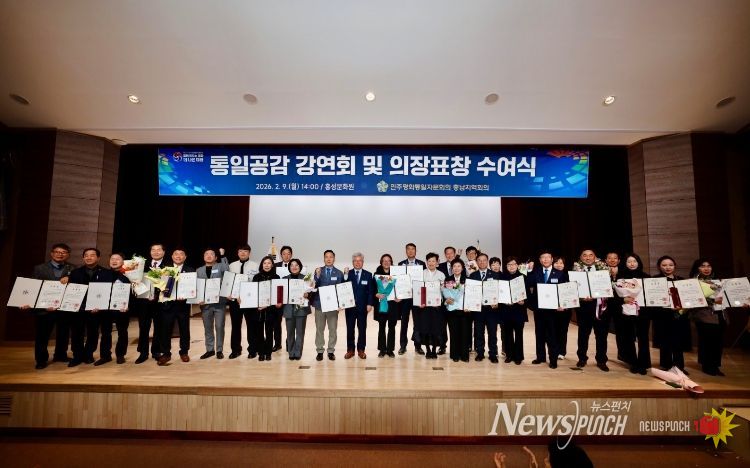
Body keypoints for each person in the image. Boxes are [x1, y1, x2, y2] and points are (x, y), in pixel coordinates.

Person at [26, 243, 75, 368]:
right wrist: (35, 304)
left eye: (63, 252)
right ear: (52, 253)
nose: (60, 254)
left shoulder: (72, 268)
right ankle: (41, 360)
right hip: (45, 309)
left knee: (63, 334)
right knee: (42, 336)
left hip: (64, 308)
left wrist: (70, 278)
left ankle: (60, 355)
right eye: (57, 252)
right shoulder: (39, 268)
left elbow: (77, 285)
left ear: (68, 255)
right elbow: (33, 288)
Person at [66, 248, 106, 367]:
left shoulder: (105, 272)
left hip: (96, 309)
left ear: (98, 258)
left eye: (92, 255)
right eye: (86, 255)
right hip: (78, 308)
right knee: (76, 332)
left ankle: (88, 354)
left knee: (93, 333)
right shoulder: (75, 272)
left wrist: (100, 305)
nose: (89, 257)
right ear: (83, 258)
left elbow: (106, 291)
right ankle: (77, 356)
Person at [573, 249, 611, 372]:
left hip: (600, 307)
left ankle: (601, 360)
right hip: (584, 308)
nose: (588, 258)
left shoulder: (603, 270)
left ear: (595, 257)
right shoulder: (576, 271)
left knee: (601, 335)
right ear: (581, 258)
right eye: (585, 255)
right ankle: (582, 358)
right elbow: (572, 289)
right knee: (583, 335)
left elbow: (608, 287)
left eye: (591, 255)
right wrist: (581, 297)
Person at [652, 255, 691, 374]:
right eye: (664, 265)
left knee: (678, 341)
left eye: (670, 265)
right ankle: (665, 365)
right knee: (664, 340)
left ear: (675, 266)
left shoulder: (681, 280)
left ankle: (679, 366)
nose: (667, 267)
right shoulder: (655, 280)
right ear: (659, 267)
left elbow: (687, 297)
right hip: (662, 315)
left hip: (678, 315)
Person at [689, 258, 727, 376]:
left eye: (709, 266)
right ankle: (707, 365)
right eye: (703, 266)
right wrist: (710, 299)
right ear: (697, 268)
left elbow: (727, 298)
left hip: (720, 314)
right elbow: (693, 299)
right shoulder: (693, 283)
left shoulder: (719, 282)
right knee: (706, 341)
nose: (706, 268)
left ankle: (715, 365)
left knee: (718, 342)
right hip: (704, 315)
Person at [528, 250, 565, 369]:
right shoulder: (535, 272)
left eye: (548, 257)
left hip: (553, 311)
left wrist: (562, 304)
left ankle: (553, 359)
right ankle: (540, 357)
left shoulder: (560, 273)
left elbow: (563, 290)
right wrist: (529, 271)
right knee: (539, 334)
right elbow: (529, 283)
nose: (545, 259)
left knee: (552, 335)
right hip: (539, 309)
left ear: (552, 259)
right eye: (543, 257)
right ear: (540, 260)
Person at [158, 248, 195, 365]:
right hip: (167, 305)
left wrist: (187, 295)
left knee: (184, 329)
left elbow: (192, 288)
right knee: (166, 330)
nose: (178, 256)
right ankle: (166, 353)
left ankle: (184, 352)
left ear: (185, 257)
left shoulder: (190, 270)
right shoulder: (165, 269)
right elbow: (159, 285)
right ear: (172, 256)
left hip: (183, 306)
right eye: (176, 254)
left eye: (181, 254)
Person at [136, 243, 171, 364]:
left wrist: (159, 294)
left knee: (159, 328)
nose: (156, 252)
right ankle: (143, 352)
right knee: (143, 327)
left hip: (160, 303)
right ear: (150, 252)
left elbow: (169, 285)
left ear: (163, 252)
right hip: (144, 302)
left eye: (159, 250)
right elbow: (136, 281)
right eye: (153, 250)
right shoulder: (141, 265)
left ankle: (156, 351)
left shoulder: (168, 266)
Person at [96, 253, 131, 365]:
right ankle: (105, 356)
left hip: (122, 309)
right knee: (105, 332)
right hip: (105, 309)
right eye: (112, 259)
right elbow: (97, 290)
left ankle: (120, 355)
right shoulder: (102, 274)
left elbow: (132, 294)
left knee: (122, 332)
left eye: (117, 259)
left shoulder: (129, 275)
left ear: (123, 262)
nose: (114, 261)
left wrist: (127, 306)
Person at [619, 253, 651, 375]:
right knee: (628, 337)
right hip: (627, 311)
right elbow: (616, 295)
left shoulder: (646, 277)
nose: (632, 264)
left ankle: (643, 363)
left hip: (643, 312)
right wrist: (623, 299)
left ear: (639, 263)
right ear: (625, 264)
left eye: (634, 261)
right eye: (629, 262)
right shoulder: (621, 277)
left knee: (643, 338)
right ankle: (632, 362)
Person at [227, 244, 258, 359]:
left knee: (251, 325)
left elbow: (256, 283)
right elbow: (228, 282)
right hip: (235, 301)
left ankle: (252, 350)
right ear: (238, 253)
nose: (243, 253)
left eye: (245, 251)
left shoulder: (255, 266)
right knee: (235, 326)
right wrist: (228, 294)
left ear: (249, 253)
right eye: (240, 251)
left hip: (249, 301)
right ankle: (235, 350)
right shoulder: (231, 266)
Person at [196, 248, 228, 360]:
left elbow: (227, 269)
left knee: (219, 327)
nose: (209, 256)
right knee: (208, 328)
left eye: (211, 254)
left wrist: (223, 255)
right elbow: (197, 286)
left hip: (219, 303)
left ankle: (219, 350)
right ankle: (209, 350)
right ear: (203, 257)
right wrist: (198, 299)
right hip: (205, 304)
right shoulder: (199, 270)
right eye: (206, 254)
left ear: (216, 257)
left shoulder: (220, 266)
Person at [313, 250, 344, 361]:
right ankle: (320, 351)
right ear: (324, 258)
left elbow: (341, 289)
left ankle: (331, 351)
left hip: (333, 306)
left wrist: (341, 303)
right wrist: (317, 276)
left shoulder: (339, 273)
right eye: (326, 257)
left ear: (334, 259)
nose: (329, 259)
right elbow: (313, 286)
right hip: (319, 305)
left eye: (331, 257)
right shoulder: (318, 271)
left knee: (333, 329)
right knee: (319, 329)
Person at [344, 252, 374, 359]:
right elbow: (342, 287)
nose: (357, 262)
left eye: (360, 260)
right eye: (355, 261)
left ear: (363, 262)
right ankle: (350, 350)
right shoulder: (348, 274)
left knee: (362, 329)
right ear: (352, 262)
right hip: (350, 307)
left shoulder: (368, 274)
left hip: (363, 307)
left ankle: (361, 350)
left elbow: (370, 291)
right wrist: (345, 275)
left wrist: (370, 303)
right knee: (350, 329)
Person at [469, 253, 498, 362]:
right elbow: (470, 293)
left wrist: (497, 302)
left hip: (491, 310)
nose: (482, 262)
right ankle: (480, 353)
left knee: (492, 333)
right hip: (478, 310)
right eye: (479, 260)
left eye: (484, 260)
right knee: (478, 333)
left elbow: (499, 291)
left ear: (487, 261)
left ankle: (493, 354)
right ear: (476, 262)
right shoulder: (473, 275)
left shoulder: (495, 275)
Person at [398, 243, 426, 355]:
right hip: (405, 298)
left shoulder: (422, 264)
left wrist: (423, 298)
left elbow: (424, 282)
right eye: (408, 249)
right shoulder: (400, 264)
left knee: (418, 322)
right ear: (406, 251)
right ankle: (403, 346)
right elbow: (398, 281)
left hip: (417, 297)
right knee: (404, 322)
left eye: (412, 249)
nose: (410, 251)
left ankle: (418, 346)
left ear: (416, 251)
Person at [499, 256, 528, 365]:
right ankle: (509, 355)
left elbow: (528, 294)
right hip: (506, 310)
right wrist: (504, 301)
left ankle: (518, 356)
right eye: (509, 264)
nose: (511, 266)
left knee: (519, 334)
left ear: (517, 265)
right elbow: (499, 293)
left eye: (513, 264)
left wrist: (523, 301)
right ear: (506, 266)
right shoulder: (502, 277)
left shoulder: (523, 277)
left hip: (519, 311)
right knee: (508, 334)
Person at [252, 256, 282, 361]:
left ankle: (268, 353)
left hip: (271, 310)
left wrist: (271, 304)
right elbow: (253, 293)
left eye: (269, 263)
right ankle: (261, 352)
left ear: (272, 265)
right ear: (262, 265)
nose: (267, 265)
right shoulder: (256, 277)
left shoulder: (276, 277)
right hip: (259, 310)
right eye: (264, 263)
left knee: (269, 332)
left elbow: (278, 294)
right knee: (259, 332)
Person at [282, 258, 312, 360]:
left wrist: (308, 295)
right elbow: (281, 294)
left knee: (300, 332)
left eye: (296, 265)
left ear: (300, 267)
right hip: (288, 309)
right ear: (289, 267)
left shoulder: (306, 278)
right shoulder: (284, 279)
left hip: (301, 309)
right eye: (292, 265)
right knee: (290, 332)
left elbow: (312, 293)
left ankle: (298, 352)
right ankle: (291, 352)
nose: (294, 267)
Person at [417, 253, 445, 359]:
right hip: (424, 306)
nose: (431, 263)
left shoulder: (441, 275)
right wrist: (420, 302)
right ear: (426, 262)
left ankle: (434, 350)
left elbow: (443, 291)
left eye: (433, 261)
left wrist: (440, 301)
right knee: (425, 329)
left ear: (437, 262)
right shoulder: (421, 274)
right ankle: (428, 350)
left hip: (436, 307)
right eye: (429, 261)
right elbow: (417, 289)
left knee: (435, 330)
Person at [373, 254, 400, 358]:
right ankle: (382, 349)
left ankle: (390, 350)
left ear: (391, 262)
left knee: (392, 327)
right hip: (381, 304)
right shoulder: (376, 274)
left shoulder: (396, 275)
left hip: (393, 305)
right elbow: (373, 288)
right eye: (384, 260)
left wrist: (399, 297)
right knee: (381, 327)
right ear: (381, 262)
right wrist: (376, 294)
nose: (386, 262)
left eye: (388, 260)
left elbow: (399, 288)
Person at [444, 258, 470, 362]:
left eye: (459, 266)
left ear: (462, 268)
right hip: (452, 311)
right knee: (454, 333)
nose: (456, 268)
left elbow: (471, 295)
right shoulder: (448, 279)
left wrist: (470, 306)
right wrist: (446, 300)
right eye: (454, 266)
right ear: (452, 268)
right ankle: (454, 355)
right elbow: (445, 295)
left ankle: (464, 355)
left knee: (465, 333)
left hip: (465, 311)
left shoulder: (467, 280)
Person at [273, 245, 293, 351]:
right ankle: (277, 344)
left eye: (288, 253)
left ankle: (289, 343)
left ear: (291, 255)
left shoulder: (295, 265)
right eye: (284, 254)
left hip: (290, 298)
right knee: (277, 322)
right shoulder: (275, 266)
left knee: (290, 322)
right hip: (278, 297)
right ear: (281, 255)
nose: (286, 256)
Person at [551, 256, 571, 360]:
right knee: (553, 331)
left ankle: (562, 351)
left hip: (565, 309)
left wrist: (565, 306)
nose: (559, 265)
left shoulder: (569, 276)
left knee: (563, 331)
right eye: (556, 263)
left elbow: (571, 293)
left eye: (561, 263)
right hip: (552, 309)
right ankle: (554, 351)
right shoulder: (549, 276)